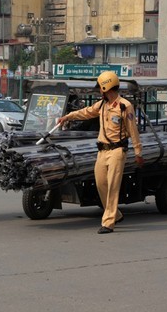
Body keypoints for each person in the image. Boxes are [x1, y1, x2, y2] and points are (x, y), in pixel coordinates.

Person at [58, 71, 144, 234]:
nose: (99, 91)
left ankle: (108, 222)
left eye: (100, 88)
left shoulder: (125, 106)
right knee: (101, 184)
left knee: (112, 186)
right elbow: (85, 112)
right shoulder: (102, 105)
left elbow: (133, 131)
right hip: (102, 151)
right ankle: (116, 214)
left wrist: (138, 153)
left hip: (117, 151)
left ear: (107, 87)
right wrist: (67, 117)